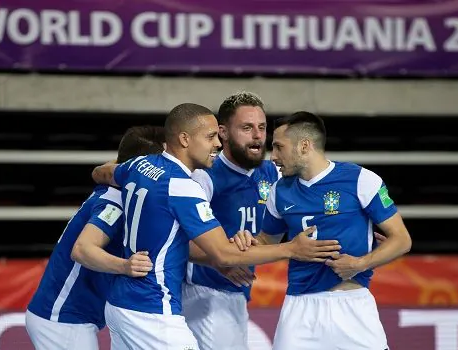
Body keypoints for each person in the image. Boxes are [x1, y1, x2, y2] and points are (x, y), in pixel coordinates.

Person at [90, 103, 338, 350]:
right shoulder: (184, 186)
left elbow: (103, 173)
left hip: (121, 304)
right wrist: (292, 249)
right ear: (185, 139)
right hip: (154, 307)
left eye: (262, 127)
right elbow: (223, 254)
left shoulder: (139, 165)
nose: (217, 144)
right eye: (210, 137)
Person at [236, 111, 412, 349]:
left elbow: (402, 240)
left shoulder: (361, 179)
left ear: (304, 146)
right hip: (300, 308)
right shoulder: (279, 191)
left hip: (353, 306)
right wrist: (245, 242)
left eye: (279, 147)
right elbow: (267, 240)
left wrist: (361, 263)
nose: (273, 156)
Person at [182, 92, 341, 350]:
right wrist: (219, 259)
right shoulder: (205, 177)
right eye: (246, 128)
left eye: (262, 127)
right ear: (222, 132)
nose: (257, 136)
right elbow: (180, 239)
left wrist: (359, 229)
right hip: (204, 292)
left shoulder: (273, 172)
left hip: (236, 292)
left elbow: (315, 189)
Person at [25, 125, 165, 350]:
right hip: (63, 320)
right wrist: (126, 266)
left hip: (69, 317)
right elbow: (82, 250)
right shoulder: (115, 202)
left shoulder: (121, 188)